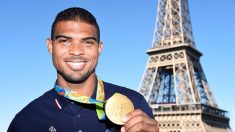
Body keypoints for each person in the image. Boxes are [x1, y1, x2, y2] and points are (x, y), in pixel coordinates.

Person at [8, 7, 159, 132]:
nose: (76, 51)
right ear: (50, 46)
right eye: (65, 41)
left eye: (87, 42)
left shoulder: (135, 103)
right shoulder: (24, 123)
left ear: (99, 49)